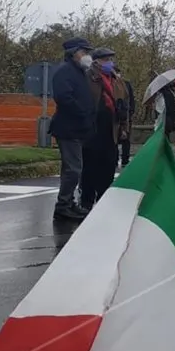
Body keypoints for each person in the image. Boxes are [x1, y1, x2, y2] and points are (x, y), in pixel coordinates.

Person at [48, 38, 97, 221]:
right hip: (68, 128)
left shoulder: (79, 72)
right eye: (84, 52)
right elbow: (64, 97)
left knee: (72, 169)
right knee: (73, 170)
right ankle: (63, 205)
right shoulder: (65, 72)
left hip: (77, 128)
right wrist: (83, 112)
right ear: (73, 52)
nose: (87, 56)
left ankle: (68, 203)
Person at [79, 47, 121, 211]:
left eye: (111, 59)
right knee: (90, 166)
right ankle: (87, 201)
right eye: (106, 59)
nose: (110, 63)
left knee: (109, 165)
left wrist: (123, 125)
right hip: (93, 127)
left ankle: (104, 199)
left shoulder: (115, 78)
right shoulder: (89, 77)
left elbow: (122, 100)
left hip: (111, 127)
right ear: (96, 61)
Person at [113, 65, 135, 167]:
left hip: (126, 115)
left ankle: (125, 160)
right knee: (115, 140)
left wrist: (130, 113)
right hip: (116, 116)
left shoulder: (126, 84)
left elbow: (131, 100)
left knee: (126, 139)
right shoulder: (111, 84)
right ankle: (115, 158)